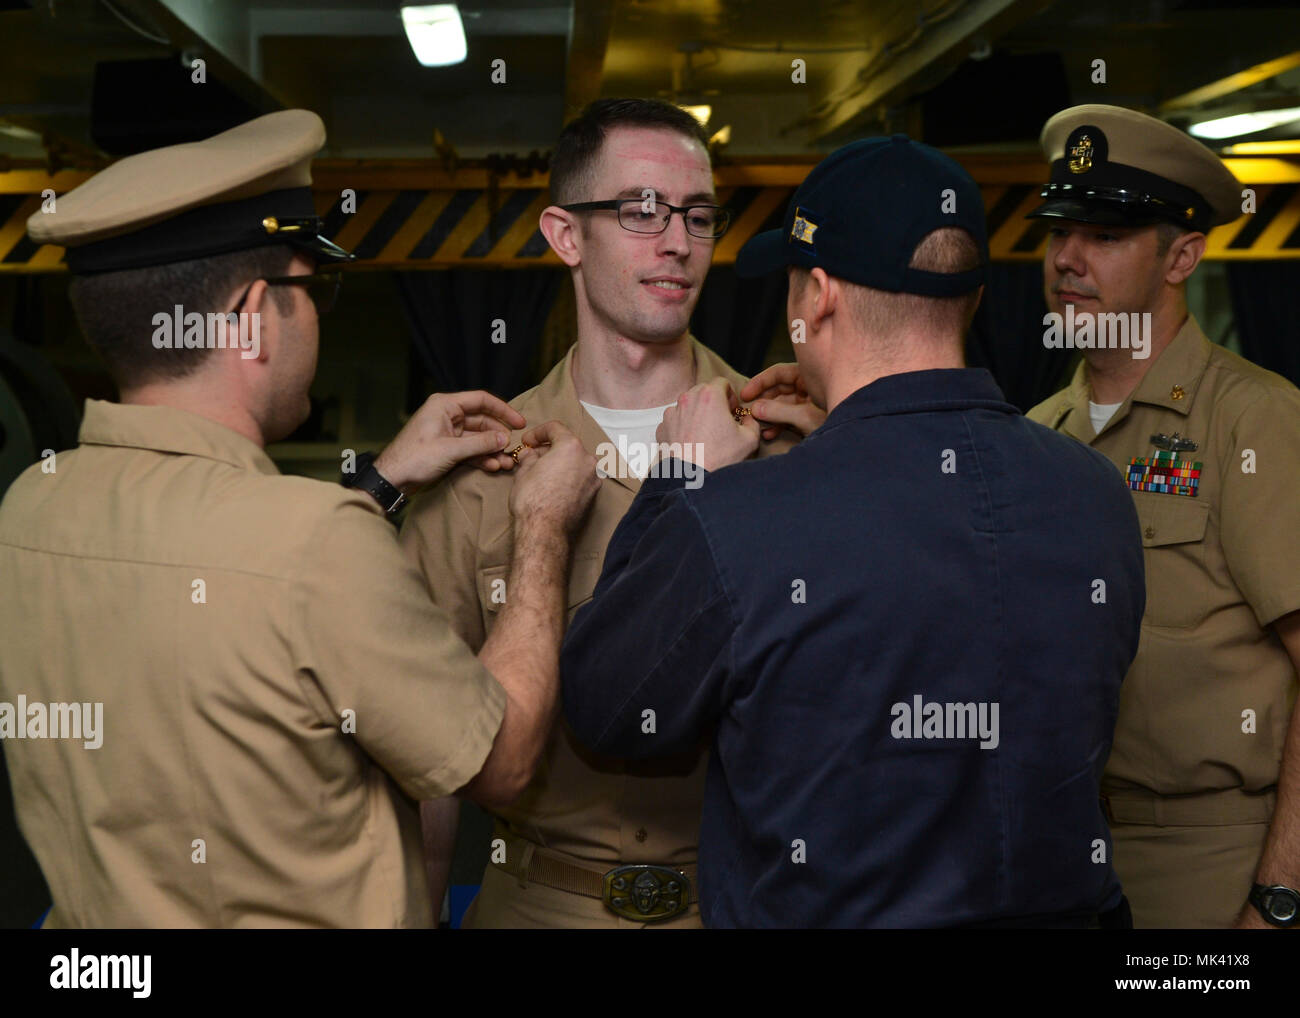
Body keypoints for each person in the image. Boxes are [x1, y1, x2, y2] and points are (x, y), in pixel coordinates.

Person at [0, 109, 599, 927]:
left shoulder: (31, 506)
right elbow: (500, 761)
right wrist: (543, 529)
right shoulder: (314, 544)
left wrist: (382, 480)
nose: (316, 316)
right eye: (310, 291)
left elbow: (236, 596)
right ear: (252, 313)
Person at [561, 134, 1146, 928]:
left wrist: (680, 476)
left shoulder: (740, 517)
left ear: (820, 297)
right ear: (969, 299)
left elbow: (608, 708)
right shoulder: (1096, 492)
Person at [399, 98, 800, 928]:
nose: (678, 243)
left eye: (696, 215)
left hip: (739, 902)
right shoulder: (481, 469)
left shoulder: (784, 447)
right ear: (565, 236)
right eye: (640, 210)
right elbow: (424, 766)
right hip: (539, 901)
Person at [1024, 104, 1300, 929]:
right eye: (1059, 229)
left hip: (1217, 864)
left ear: (1183, 255)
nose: (1068, 258)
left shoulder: (1253, 422)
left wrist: (1280, 898)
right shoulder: (1039, 435)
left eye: (1105, 235)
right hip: (1065, 863)